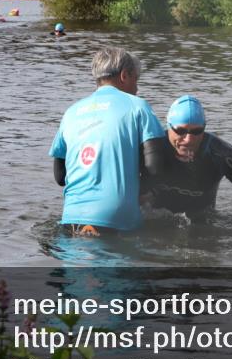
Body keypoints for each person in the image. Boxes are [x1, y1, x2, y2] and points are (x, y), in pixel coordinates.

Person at [50, 47, 169, 236]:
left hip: (72, 218)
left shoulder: (71, 112)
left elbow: (60, 176)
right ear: (124, 75)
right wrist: (142, 193)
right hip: (116, 219)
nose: (137, 88)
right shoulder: (137, 106)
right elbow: (155, 167)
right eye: (136, 80)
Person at [142, 95, 232, 223]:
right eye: (181, 131)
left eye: (197, 131)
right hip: (155, 219)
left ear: (204, 128)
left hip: (202, 221)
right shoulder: (152, 149)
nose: (188, 140)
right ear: (169, 126)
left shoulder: (221, 155)